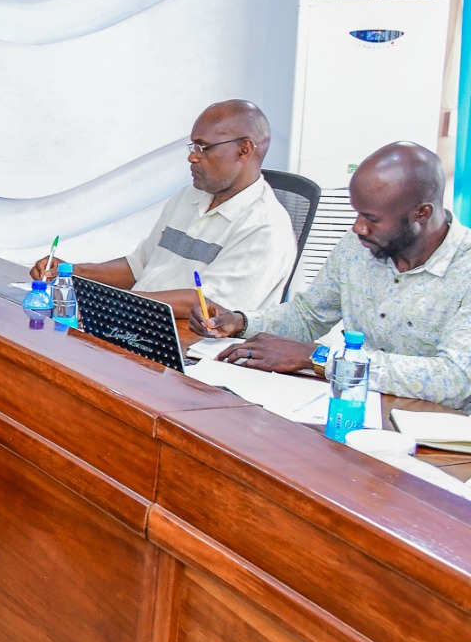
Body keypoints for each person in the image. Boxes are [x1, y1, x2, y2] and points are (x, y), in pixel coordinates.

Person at [193, 142, 471, 410]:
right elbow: (309, 314)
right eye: (357, 214)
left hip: (441, 432)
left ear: (422, 213)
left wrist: (318, 357)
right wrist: (242, 322)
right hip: (362, 406)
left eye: (371, 219)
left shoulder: (465, 267)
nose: (358, 228)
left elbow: (455, 378)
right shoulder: (359, 246)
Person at [30, 100, 295, 315]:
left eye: (203, 147)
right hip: (140, 322)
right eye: (193, 146)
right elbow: (138, 267)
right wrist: (72, 272)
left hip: (193, 350)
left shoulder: (265, 227)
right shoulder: (190, 197)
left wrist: (112, 304)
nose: (192, 156)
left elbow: (206, 305)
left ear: (244, 150)